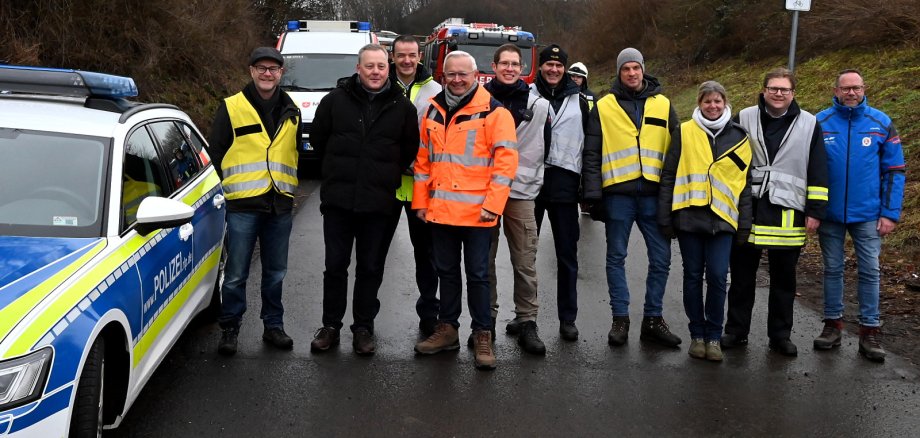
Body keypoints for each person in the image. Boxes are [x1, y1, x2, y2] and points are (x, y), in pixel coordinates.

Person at [309, 44, 419, 356]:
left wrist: (382, 175)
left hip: (379, 204)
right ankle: (330, 326)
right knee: (335, 266)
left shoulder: (402, 107)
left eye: (381, 67)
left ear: (389, 69)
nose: (375, 72)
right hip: (338, 202)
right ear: (358, 68)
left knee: (371, 267)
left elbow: (409, 148)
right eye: (369, 66)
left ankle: (363, 328)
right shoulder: (334, 101)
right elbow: (318, 139)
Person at [412, 51, 518, 370]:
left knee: (478, 275)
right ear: (443, 76)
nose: (457, 79)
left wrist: (493, 206)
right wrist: (420, 202)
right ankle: (447, 330)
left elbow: (505, 164)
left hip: (478, 214)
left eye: (463, 74)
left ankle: (482, 334)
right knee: (446, 273)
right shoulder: (433, 109)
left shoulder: (495, 113)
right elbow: (423, 162)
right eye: (451, 74)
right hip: (441, 212)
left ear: (476, 75)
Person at [722, 67, 828, 357]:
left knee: (784, 280)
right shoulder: (744, 117)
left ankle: (780, 336)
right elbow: (727, 157)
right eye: (773, 88)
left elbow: (818, 167)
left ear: (793, 93)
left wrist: (815, 210)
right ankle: (736, 331)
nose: (778, 93)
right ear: (763, 90)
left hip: (788, 212)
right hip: (749, 209)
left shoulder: (809, 123)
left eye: (784, 89)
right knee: (742, 278)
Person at [582, 47, 682, 349]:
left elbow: (677, 151)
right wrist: (592, 196)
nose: (631, 73)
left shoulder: (663, 104)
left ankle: (653, 318)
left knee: (662, 259)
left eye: (635, 67)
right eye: (625, 68)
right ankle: (620, 319)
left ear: (643, 70)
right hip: (618, 196)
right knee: (616, 258)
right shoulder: (604, 105)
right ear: (618, 72)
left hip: (654, 195)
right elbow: (591, 152)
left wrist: (675, 193)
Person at [208, 47, 302, 356]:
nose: (267, 73)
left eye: (273, 69)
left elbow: (293, 153)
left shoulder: (292, 109)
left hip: (279, 204)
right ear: (251, 71)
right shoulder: (232, 107)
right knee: (236, 274)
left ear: (281, 73)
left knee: (276, 273)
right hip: (243, 205)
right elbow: (216, 153)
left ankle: (273, 325)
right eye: (261, 68)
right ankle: (230, 327)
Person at [813, 69, 905, 362]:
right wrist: (812, 210)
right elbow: (809, 169)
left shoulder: (881, 123)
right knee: (832, 269)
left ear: (864, 89)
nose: (851, 93)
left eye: (856, 88)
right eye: (846, 88)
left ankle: (870, 331)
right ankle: (832, 325)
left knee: (870, 271)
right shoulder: (819, 122)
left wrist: (890, 213)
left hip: (868, 214)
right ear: (836, 90)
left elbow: (894, 171)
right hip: (829, 214)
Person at [658, 81, 752, 361]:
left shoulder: (740, 137)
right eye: (707, 101)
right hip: (689, 218)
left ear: (725, 103)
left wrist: (744, 224)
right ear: (699, 103)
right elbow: (669, 175)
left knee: (718, 277)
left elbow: (743, 185)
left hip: (724, 221)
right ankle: (697, 335)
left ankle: (714, 336)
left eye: (717, 101)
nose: (713, 106)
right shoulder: (684, 131)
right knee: (692, 277)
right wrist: (665, 217)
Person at [484, 43, 552, 355]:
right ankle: (487, 321)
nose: (510, 68)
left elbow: (545, 147)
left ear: (523, 67)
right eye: (504, 63)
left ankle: (527, 321)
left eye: (515, 63)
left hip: (521, 194)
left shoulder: (538, 104)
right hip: (484, 193)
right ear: (494, 66)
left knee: (525, 261)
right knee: (483, 262)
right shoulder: (481, 102)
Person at [530, 44, 592, 341]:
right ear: (540, 66)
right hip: (531, 184)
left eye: (558, 65)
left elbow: (590, 147)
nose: (553, 69)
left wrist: (587, 189)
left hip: (566, 186)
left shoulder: (581, 102)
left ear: (565, 69)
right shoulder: (526, 94)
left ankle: (568, 318)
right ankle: (525, 317)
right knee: (525, 256)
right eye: (548, 64)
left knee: (567, 256)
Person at [384, 34, 443, 337]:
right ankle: (365, 320)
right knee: (373, 257)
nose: (406, 60)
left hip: (421, 187)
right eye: (400, 55)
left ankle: (429, 315)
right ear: (391, 56)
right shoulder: (380, 85)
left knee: (427, 257)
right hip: (385, 187)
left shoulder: (437, 91)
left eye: (412, 55)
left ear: (420, 56)